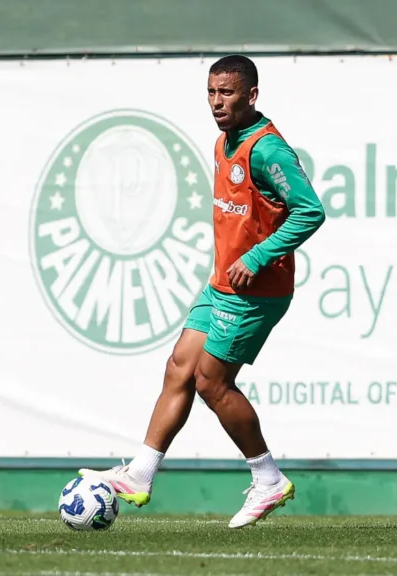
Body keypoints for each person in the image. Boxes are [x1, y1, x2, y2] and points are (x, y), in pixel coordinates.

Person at [80, 54, 326, 528]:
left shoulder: (267, 150)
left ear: (251, 95)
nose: (217, 102)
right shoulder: (223, 142)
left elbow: (310, 210)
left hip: (257, 290)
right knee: (180, 365)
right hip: (222, 284)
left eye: (227, 93)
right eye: (211, 92)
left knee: (211, 381)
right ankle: (139, 474)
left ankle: (269, 479)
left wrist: (256, 256)